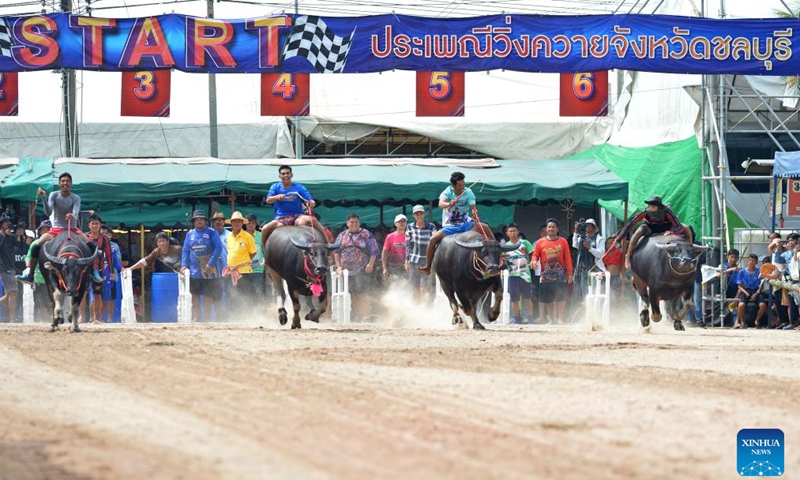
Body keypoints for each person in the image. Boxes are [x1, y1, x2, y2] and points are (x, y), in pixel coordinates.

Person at [17, 172, 91, 285]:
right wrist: (44, 198)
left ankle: (94, 271)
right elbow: (48, 212)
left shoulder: (76, 197)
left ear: (71, 183)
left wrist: (72, 216)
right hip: (56, 230)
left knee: (90, 244)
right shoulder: (54, 195)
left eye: (67, 181)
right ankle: (30, 274)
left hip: (73, 229)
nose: (65, 183)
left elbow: (76, 212)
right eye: (63, 181)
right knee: (36, 245)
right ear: (59, 183)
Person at [418, 171, 492, 274]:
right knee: (432, 239)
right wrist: (449, 204)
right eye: (460, 186)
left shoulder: (468, 192)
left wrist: (475, 212)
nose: (462, 187)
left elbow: (473, 207)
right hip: (450, 225)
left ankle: (498, 254)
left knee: (485, 227)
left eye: (463, 185)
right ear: (453, 185)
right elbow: (440, 204)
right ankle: (428, 266)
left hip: (466, 223)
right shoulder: (447, 192)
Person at [614, 195, 692, 270]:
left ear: (659, 207)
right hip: (650, 228)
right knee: (639, 231)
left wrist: (671, 231)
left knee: (686, 228)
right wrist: (618, 239)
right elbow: (631, 223)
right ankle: (627, 256)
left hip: (666, 228)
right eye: (650, 206)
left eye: (653, 206)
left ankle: (690, 248)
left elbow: (678, 226)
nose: (650, 208)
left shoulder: (667, 212)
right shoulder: (646, 211)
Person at [261, 165, 327, 249]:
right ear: (280, 176)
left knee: (312, 219)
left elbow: (311, 201)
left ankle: (327, 243)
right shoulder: (275, 187)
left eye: (287, 173)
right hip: (281, 219)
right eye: (283, 174)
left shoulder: (299, 187)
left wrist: (311, 203)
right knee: (265, 229)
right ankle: (265, 253)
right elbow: (268, 200)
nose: (285, 176)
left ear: (291, 175)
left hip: (298, 217)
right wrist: (277, 197)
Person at [333, 213, 379, 322]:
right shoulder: (342, 235)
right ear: (347, 223)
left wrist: (371, 264)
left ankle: (364, 316)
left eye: (356, 222)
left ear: (359, 222)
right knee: (351, 294)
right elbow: (336, 252)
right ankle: (357, 316)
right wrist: (339, 266)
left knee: (362, 294)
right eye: (351, 222)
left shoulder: (365, 234)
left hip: (362, 269)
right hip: (346, 271)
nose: (354, 224)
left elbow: (374, 250)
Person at [181, 210, 224, 323]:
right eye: (196, 219)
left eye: (201, 219)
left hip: (209, 270)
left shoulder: (211, 232)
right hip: (194, 270)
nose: (199, 221)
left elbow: (218, 248)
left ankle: (207, 318)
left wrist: (210, 263)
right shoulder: (189, 234)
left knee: (208, 295)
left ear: (205, 221)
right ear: (193, 222)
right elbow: (185, 250)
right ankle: (196, 316)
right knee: (194, 294)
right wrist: (184, 265)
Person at [532, 218, 573, 325]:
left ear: (557, 229)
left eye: (553, 227)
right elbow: (535, 255)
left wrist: (569, 274)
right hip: (545, 274)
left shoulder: (563, 241)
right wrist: (534, 262)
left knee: (560, 297)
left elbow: (568, 258)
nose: (551, 229)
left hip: (560, 273)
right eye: (549, 227)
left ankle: (560, 319)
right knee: (547, 298)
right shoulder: (540, 242)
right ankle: (552, 320)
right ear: (546, 229)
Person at [502, 223, 535, 324]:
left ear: (518, 231)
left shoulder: (524, 243)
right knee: (514, 299)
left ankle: (530, 318)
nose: (512, 233)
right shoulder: (505, 246)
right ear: (507, 233)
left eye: (514, 231)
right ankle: (516, 318)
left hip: (525, 275)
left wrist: (533, 262)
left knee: (528, 298)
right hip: (512, 275)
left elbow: (533, 255)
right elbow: (502, 261)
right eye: (510, 231)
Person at [224, 211, 257, 307]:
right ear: (231, 223)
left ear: (242, 223)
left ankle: (246, 315)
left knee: (245, 295)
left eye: (239, 221)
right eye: (235, 221)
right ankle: (233, 317)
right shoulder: (228, 237)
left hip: (244, 271)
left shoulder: (248, 237)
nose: (237, 223)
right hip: (231, 271)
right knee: (231, 295)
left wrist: (243, 263)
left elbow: (253, 252)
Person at [405, 204, 436, 299]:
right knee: (415, 286)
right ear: (413, 216)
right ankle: (416, 306)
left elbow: (435, 242)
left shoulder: (431, 226)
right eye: (417, 214)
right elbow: (408, 245)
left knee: (424, 286)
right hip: (414, 260)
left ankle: (423, 307)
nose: (419, 216)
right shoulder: (410, 227)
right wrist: (406, 260)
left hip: (426, 261)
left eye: (421, 213)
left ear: (424, 214)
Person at [571, 218, 605, 302]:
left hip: (595, 269)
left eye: (590, 225)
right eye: (586, 225)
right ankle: (587, 311)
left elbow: (600, 254)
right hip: (583, 270)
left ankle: (597, 310)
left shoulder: (599, 239)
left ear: (594, 227)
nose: (588, 227)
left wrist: (589, 248)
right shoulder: (581, 239)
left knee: (596, 291)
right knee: (585, 292)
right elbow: (575, 245)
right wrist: (575, 231)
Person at [734, 253, 767, 329]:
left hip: (756, 291)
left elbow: (761, 284)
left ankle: (757, 320)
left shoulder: (759, 272)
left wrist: (756, 293)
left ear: (756, 262)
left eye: (753, 261)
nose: (751, 262)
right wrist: (746, 293)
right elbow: (739, 285)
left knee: (763, 305)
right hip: (745, 291)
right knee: (741, 305)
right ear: (747, 261)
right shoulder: (742, 272)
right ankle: (743, 321)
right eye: (750, 260)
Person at [27, 220, 51, 322]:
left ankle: (51, 320)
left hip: (51, 279)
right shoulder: (35, 244)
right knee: (39, 301)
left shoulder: (55, 244)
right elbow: (28, 260)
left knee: (51, 301)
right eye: (43, 229)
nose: (45, 232)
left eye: (48, 229)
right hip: (38, 278)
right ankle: (44, 321)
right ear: (40, 231)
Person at [0, 216, 20, 322]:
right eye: (5, 223)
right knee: (12, 293)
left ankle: (12, 319)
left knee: (9, 294)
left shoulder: (11, 237)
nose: (8, 224)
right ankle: (13, 320)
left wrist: (20, 236)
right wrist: (4, 237)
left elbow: (20, 245)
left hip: (12, 268)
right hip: (4, 268)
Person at [381, 214, 407, 286]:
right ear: (395, 224)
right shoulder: (390, 237)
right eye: (400, 221)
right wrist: (384, 268)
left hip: (407, 266)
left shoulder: (409, 236)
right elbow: (384, 253)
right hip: (393, 266)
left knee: (407, 285)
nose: (402, 223)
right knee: (395, 285)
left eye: (404, 221)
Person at [245, 213, 265, 299]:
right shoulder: (241, 235)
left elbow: (265, 250)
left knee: (258, 292)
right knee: (246, 292)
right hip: (244, 269)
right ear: (245, 224)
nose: (250, 225)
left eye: (252, 223)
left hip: (258, 268)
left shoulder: (261, 236)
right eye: (248, 223)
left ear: (256, 224)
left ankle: (259, 311)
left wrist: (264, 260)